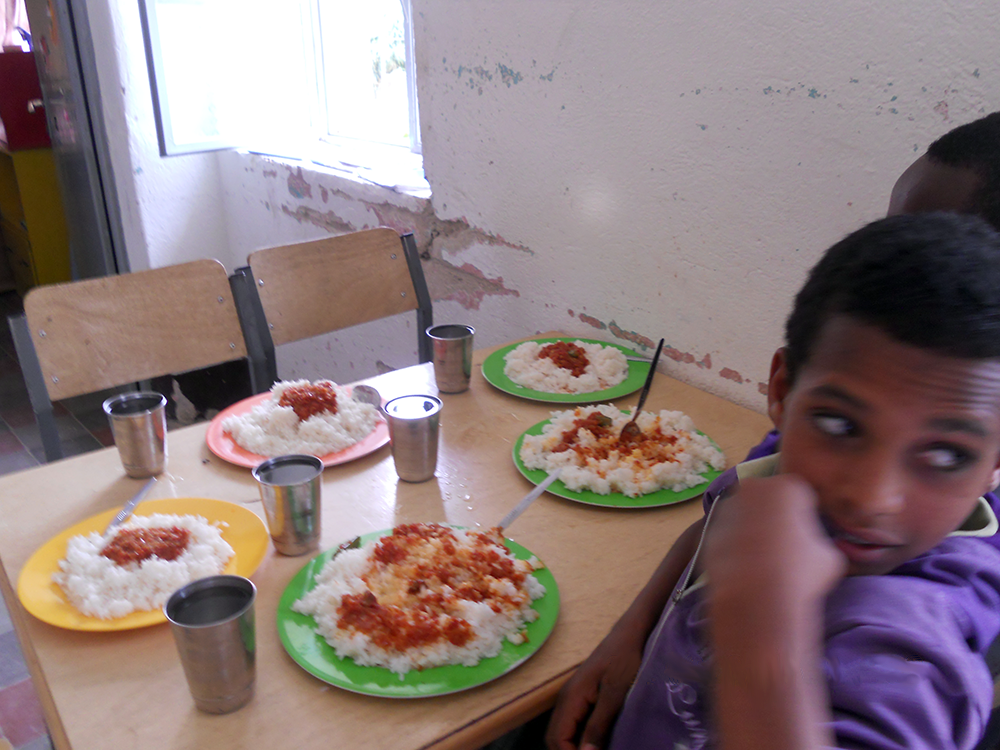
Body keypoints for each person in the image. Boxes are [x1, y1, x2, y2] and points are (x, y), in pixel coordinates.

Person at [545, 212, 1000, 750]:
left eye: (947, 455)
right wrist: (632, 633)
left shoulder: (913, 652)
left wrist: (764, 633)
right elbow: (723, 519)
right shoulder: (786, 460)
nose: (871, 498)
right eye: (841, 425)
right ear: (783, 393)